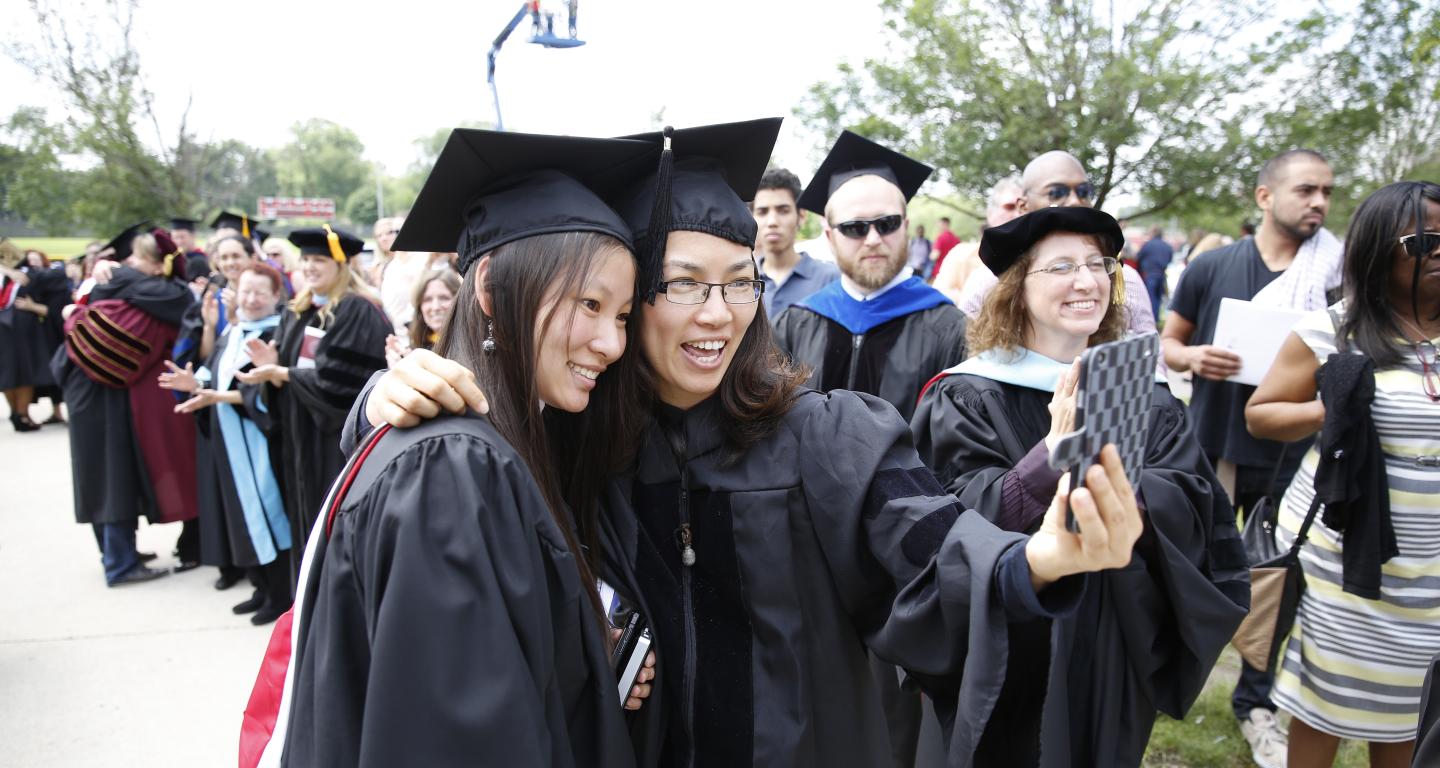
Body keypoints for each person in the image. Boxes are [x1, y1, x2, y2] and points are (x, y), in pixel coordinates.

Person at [361, 119, 1148, 768]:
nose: (720, 312)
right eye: (685, 284)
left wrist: (1038, 560)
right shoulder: (574, 439)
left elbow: (931, 543)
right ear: (630, 302)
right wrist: (381, 397)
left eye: (741, 280)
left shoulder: (826, 434)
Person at [264, 129, 658, 767]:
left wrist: (589, 650)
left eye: (621, 317)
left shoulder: (511, 443)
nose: (612, 345)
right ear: (493, 292)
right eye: (590, 304)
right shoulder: (452, 472)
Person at [910, 206, 1250, 767]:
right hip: (1008, 631)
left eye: (1098, 264)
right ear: (1018, 286)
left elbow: (1195, 502)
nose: (1087, 281)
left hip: (1112, 629)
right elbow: (952, 518)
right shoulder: (965, 396)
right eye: (1062, 266)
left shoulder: (1146, 394)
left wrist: (1116, 492)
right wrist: (1053, 456)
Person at [1246, 181, 1440, 768]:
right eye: (1425, 239)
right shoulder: (1336, 329)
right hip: (1345, 560)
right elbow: (1261, 414)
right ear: (1382, 249)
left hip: (1431, 574)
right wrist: (1334, 409)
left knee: (1413, 708)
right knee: (1325, 703)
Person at [1161, 149, 1338, 767]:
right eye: (1306, 190)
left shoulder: (1335, 276)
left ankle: (1255, 702)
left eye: (1326, 192)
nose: (1318, 202)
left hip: (1296, 454)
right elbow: (1169, 340)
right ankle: (1169, 676)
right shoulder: (1211, 266)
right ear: (1265, 197)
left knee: (1280, 582)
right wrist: (1192, 359)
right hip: (1213, 442)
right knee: (1193, 567)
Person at [773, 130, 968, 423]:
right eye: (855, 227)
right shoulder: (794, 325)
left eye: (887, 223)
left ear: (906, 226)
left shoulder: (951, 330)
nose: (874, 239)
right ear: (829, 236)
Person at [234, 225, 389, 576]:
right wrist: (269, 369)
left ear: (341, 264)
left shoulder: (357, 310)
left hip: (333, 443)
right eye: (305, 260)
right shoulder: (298, 310)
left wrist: (282, 374)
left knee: (332, 523)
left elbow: (342, 386)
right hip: (299, 436)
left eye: (319, 259)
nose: (309, 267)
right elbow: (283, 368)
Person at [53, 224, 198, 585]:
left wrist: (80, 306)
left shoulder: (114, 284)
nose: (130, 262)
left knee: (103, 476)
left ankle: (118, 554)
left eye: (138, 259)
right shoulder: (153, 293)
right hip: (101, 394)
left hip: (90, 390)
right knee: (111, 477)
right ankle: (119, 562)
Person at [160, 262, 293, 624]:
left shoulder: (275, 334)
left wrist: (213, 396)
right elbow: (210, 372)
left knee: (268, 513)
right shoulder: (234, 331)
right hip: (231, 442)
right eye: (245, 291)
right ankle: (261, 587)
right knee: (243, 514)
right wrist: (195, 384)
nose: (250, 299)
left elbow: (267, 394)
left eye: (259, 293)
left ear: (275, 297)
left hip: (260, 443)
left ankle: (281, 595)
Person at [956, 152, 1157, 337]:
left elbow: (1151, 358)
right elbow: (965, 347)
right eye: (1056, 193)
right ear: (1023, 206)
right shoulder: (989, 282)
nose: (1074, 201)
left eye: (1084, 191)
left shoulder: (1123, 278)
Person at [752, 166, 839, 317]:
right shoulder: (743, 281)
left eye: (783, 210)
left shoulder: (830, 279)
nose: (772, 221)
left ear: (802, 216)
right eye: (762, 212)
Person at [1, 249, 69, 430]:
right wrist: (6, 271)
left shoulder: (33, 276)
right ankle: (16, 413)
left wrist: (33, 306)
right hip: (4, 332)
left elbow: (60, 276)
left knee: (24, 373)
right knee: (7, 375)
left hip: (24, 332)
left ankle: (23, 414)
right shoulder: (5, 275)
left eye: (35, 260)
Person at [939, 174, 1025, 309]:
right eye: (1010, 207)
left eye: (1024, 207)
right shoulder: (961, 255)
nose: (1018, 214)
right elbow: (941, 295)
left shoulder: (1043, 255)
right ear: (990, 212)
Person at [384, 267, 460, 366]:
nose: (435, 307)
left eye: (444, 298)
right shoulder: (414, 349)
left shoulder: (469, 346)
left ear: (458, 302)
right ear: (419, 307)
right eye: (427, 299)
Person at [1136, 225, 1174, 319]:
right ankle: (1155, 319)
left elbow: (1138, 257)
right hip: (1161, 274)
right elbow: (1170, 259)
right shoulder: (1167, 246)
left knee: (1150, 298)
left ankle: (1150, 320)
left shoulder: (1148, 245)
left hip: (1150, 274)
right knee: (1158, 298)